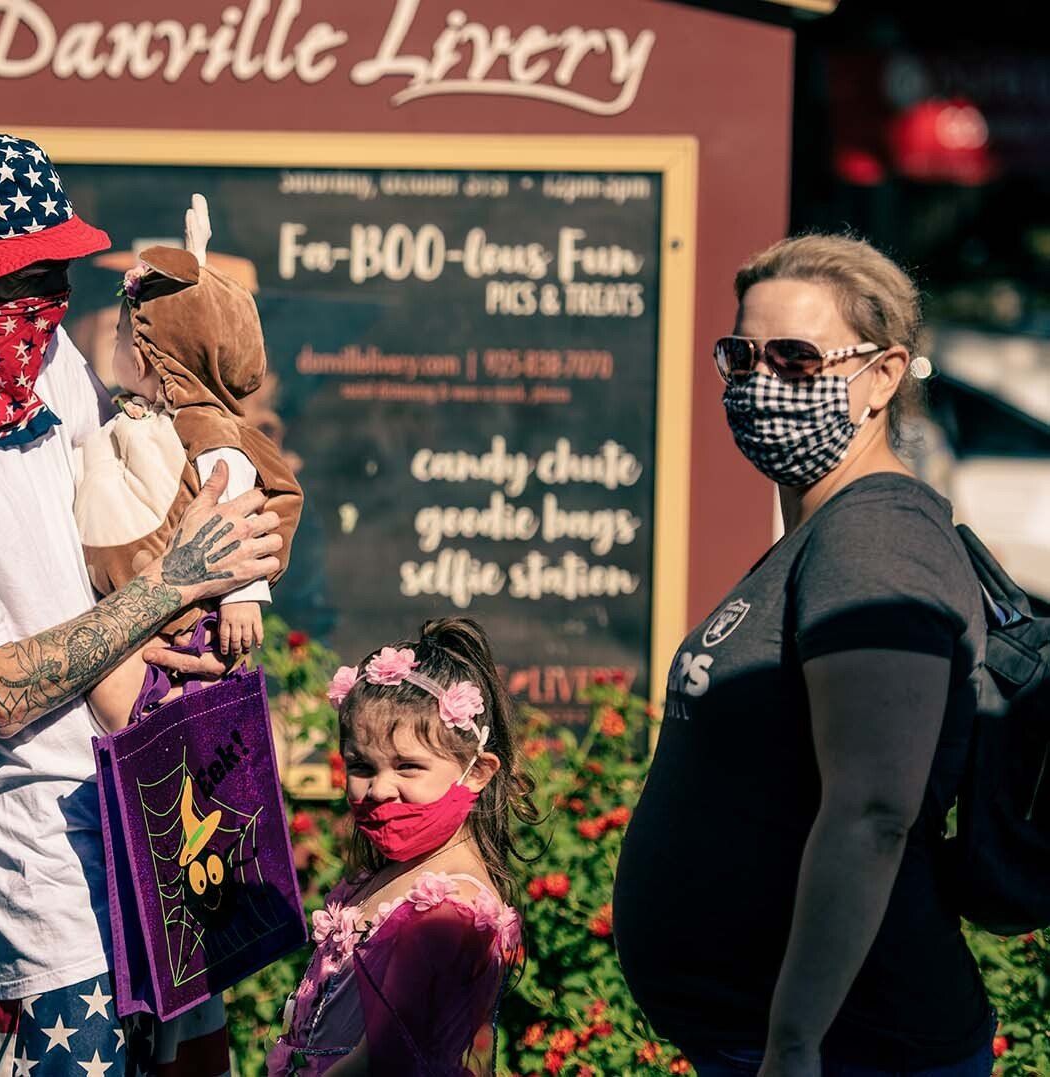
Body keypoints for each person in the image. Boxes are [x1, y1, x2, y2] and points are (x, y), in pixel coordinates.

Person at [0, 130, 282, 1077]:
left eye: (52, 277)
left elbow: (87, 552)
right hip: (50, 865)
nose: (48, 307)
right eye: (23, 280)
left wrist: (181, 604)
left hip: (157, 813)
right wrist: (175, 579)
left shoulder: (27, 364)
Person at [612, 234, 997, 1077]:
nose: (759, 383)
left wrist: (793, 1041)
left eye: (793, 357)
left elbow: (872, 809)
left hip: (853, 1047)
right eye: (741, 356)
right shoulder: (825, 534)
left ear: (884, 374)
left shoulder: (877, 535)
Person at [267, 618, 538, 1077]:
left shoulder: (448, 911)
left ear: (476, 771)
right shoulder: (387, 872)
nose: (379, 789)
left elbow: (384, 1059)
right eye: (361, 765)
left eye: (407, 767)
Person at [75, 194, 303, 730]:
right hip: (140, 605)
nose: (112, 344)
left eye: (119, 334)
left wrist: (242, 597)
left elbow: (240, 508)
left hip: (188, 617)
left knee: (123, 691)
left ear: (148, 353)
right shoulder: (144, 417)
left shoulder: (207, 429)